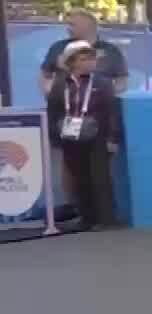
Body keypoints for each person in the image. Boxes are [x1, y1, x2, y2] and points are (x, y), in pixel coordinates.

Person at [45, 41, 122, 231]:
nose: (90, 62)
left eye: (92, 58)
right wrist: (55, 137)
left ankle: (106, 219)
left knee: (100, 178)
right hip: (70, 137)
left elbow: (112, 111)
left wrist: (113, 138)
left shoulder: (102, 82)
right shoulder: (60, 83)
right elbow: (53, 111)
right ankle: (87, 218)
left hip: (98, 137)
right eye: (84, 59)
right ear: (72, 61)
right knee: (80, 178)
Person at [39, 9, 129, 98]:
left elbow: (122, 81)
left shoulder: (111, 51)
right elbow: (45, 75)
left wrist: (106, 96)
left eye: (72, 25)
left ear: (87, 26)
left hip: (99, 104)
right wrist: (50, 94)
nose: (68, 28)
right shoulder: (58, 47)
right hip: (63, 103)